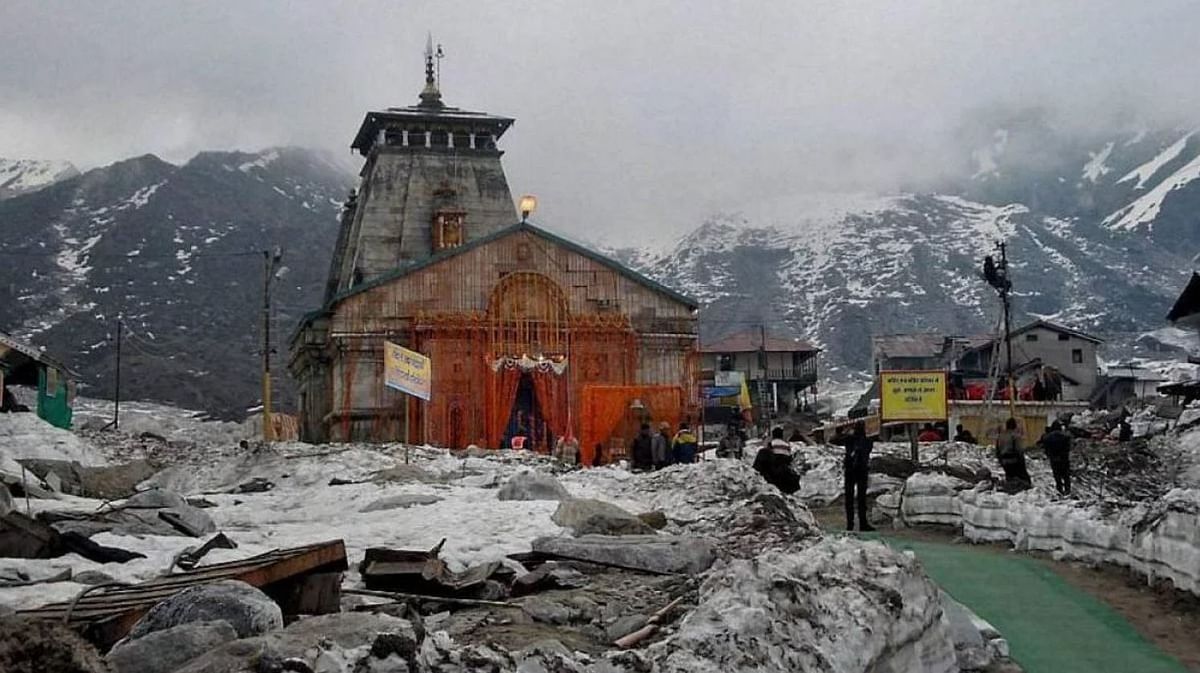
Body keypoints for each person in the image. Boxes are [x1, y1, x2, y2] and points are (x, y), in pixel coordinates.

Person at [832, 422, 874, 532]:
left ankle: (850, 524)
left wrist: (844, 431)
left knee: (849, 499)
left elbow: (834, 440)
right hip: (862, 471)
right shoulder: (867, 440)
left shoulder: (849, 439)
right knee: (861, 499)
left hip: (850, 471)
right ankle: (863, 523)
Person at [753, 427, 800, 494]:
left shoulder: (771, 443)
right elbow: (789, 456)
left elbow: (768, 455)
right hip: (785, 468)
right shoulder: (787, 445)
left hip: (774, 466)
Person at [995, 418, 1031, 491]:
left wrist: (1000, 461)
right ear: (1014, 426)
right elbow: (1019, 450)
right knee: (1023, 480)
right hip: (1014, 460)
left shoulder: (1001, 436)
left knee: (1010, 477)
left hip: (1004, 460)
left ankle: (1009, 491)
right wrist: (1022, 462)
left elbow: (997, 450)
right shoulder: (1015, 436)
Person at [1039, 421, 1072, 495]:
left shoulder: (1047, 438)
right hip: (1064, 459)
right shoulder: (1066, 437)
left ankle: (1059, 489)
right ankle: (1067, 490)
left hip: (1054, 459)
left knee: (1057, 476)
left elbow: (1044, 447)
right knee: (1066, 476)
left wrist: (1049, 455)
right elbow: (1068, 448)